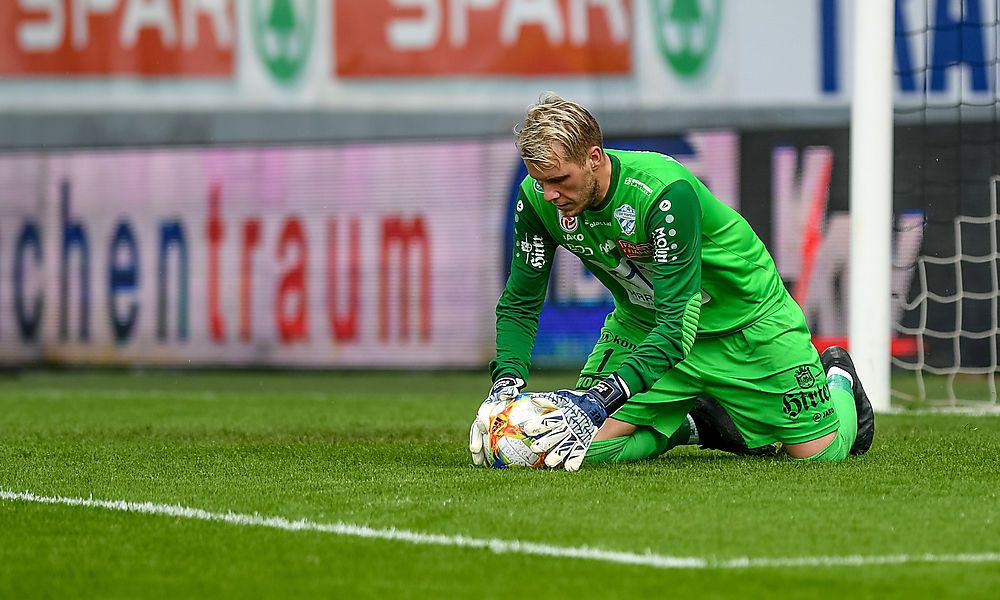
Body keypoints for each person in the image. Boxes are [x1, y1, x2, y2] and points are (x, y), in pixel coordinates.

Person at [469, 92, 874, 471]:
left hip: (747, 324)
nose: (550, 194)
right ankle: (699, 423)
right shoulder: (537, 201)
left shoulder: (662, 193)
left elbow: (677, 325)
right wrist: (505, 384)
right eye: (541, 182)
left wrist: (598, 401)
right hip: (644, 326)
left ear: (594, 157)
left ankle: (837, 376)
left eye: (560, 180)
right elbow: (521, 301)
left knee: (820, 456)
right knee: (572, 449)